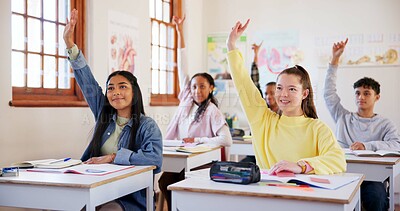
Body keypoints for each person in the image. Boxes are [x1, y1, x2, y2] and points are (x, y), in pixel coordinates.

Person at [64, 9, 162, 211]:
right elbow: (87, 81)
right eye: (111, 88)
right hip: (93, 187)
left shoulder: (147, 125)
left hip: (127, 198)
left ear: (134, 92)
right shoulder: (104, 113)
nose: (116, 92)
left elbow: (154, 159)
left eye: (122, 87)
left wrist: (112, 157)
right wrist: (70, 45)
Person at [227, 19, 346, 175]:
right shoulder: (262, 120)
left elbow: (338, 160)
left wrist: (301, 166)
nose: (283, 94)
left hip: (303, 196)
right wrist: (231, 45)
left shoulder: (318, 128)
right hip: (267, 195)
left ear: (305, 94)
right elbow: (243, 83)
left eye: (291, 89)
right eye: (279, 88)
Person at [158, 15, 232, 211]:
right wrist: (179, 31)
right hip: (181, 157)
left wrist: (199, 140)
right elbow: (182, 66)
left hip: (201, 163)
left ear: (211, 89)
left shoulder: (212, 110)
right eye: (194, 87)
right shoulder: (186, 100)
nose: (197, 91)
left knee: (177, 182)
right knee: (165, 181)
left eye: (202, 87)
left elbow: (226, 140)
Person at [324, 38, 400, 211]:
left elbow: (396, 144)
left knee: (377, 196)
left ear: (377, 97)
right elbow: (328, 93)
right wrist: (334, 60)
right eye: (358, 93)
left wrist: (367, 146)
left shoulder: (385, 123)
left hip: (372, 179)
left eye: (367, 93)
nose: (361, 97)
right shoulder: (342, 117)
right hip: (344, 173)